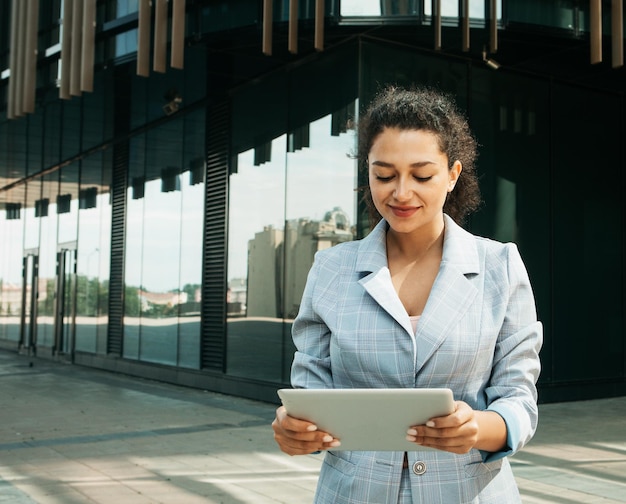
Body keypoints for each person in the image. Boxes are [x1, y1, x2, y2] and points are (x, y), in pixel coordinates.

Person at [272, 86, 543, 503]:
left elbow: (519, 398)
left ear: (453, 175)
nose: (400, 193)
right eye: (384, 175)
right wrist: (297, 430)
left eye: (421, 175)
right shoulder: (330, 270)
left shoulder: (499, 266)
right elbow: (311, 390)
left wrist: (479, 428)